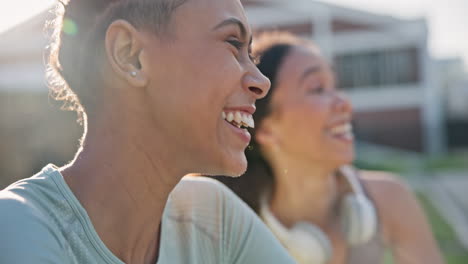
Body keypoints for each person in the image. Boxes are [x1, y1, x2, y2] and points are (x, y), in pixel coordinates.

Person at [0, 1, 297, 263]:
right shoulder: (18, 230)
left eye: (251, 55)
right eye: (232, 43)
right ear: (130, 55)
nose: (262, 82)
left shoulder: (213, 219)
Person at [215, 32, 444, 264]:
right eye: (317, 88)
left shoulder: (392, 199)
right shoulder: (231, 232)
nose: (344, 103)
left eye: (335, 86)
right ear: (266, 129)